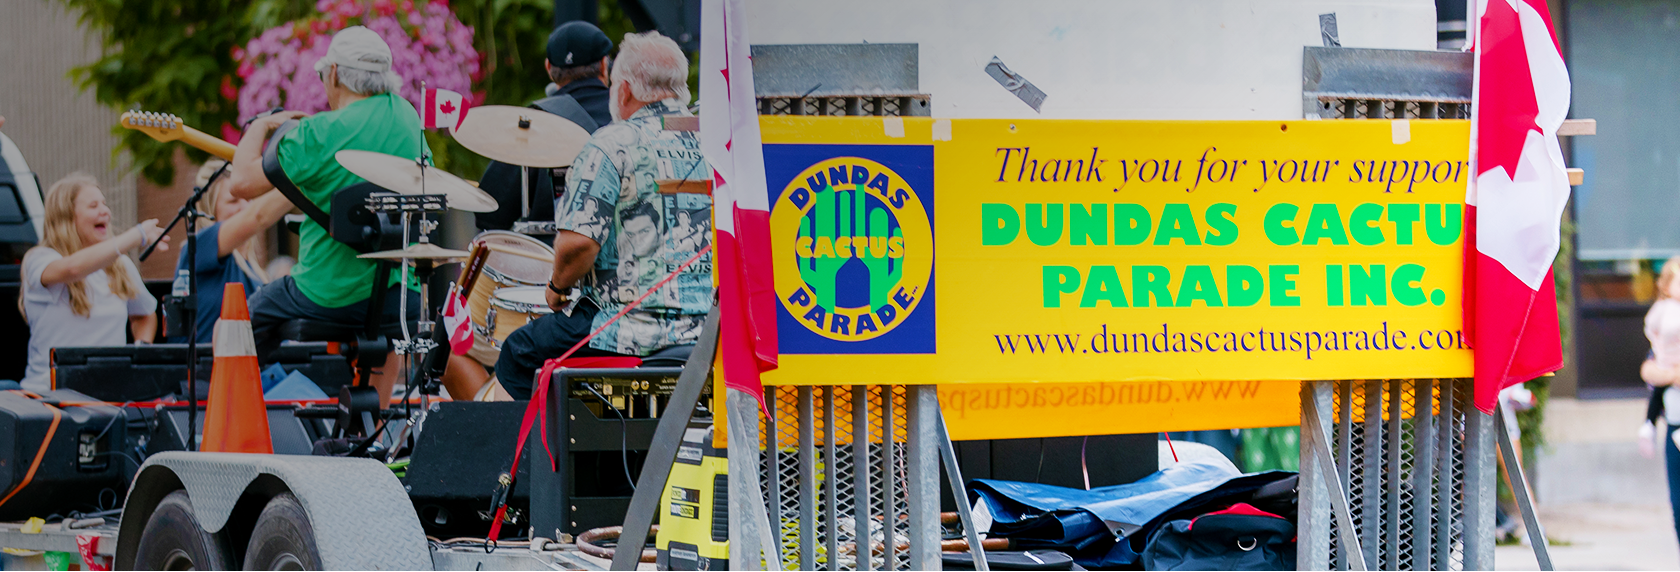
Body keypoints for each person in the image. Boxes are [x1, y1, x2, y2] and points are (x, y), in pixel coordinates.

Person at [495, 31, 711, 399]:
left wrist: (557, 288)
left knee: (517, 356)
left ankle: (575, 450)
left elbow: (579, 244)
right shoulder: (716, 143)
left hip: (627, 328)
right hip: (710, 329)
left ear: (623, 90)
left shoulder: (611, 144)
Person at [224, 26, 424, 406]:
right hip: (397, 294)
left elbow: (241, 183)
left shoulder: (319, 133)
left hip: (327, 293)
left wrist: (259, 126)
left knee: (244, 319)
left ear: (333, 74)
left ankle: (229, 417)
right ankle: (372, 428)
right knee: (383, 329)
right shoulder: (407, 117)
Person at [19, 173, 168, 390]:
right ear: (67, 216)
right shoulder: (40, 259)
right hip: (49, 398)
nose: (105, 211)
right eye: (93, 205)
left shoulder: (120, 266)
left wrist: (138, 352)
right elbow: (73, 268)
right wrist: (137, 235)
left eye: (104, 204)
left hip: (109, 397)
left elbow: (144, 315)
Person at [474, 21, 615, 232]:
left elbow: (490, 210)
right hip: (621, 258)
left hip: (554, 257)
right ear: (605, 65)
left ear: (549, 68)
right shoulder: (627, 117)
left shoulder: (534, 123)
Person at [167, 160, 294, 344]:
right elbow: (257, 216)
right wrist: (303, 177)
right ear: (210, 210)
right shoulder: (199, 247)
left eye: (247, 199)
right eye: (233, 201)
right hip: (207, 369)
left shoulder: (255, 272)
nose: (244, 207)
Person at [1641, 258, 1680, 544]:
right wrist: (1671, 374)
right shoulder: (1665, 319)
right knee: (1678, 504)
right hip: (1675, 426)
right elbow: (1648, 368)